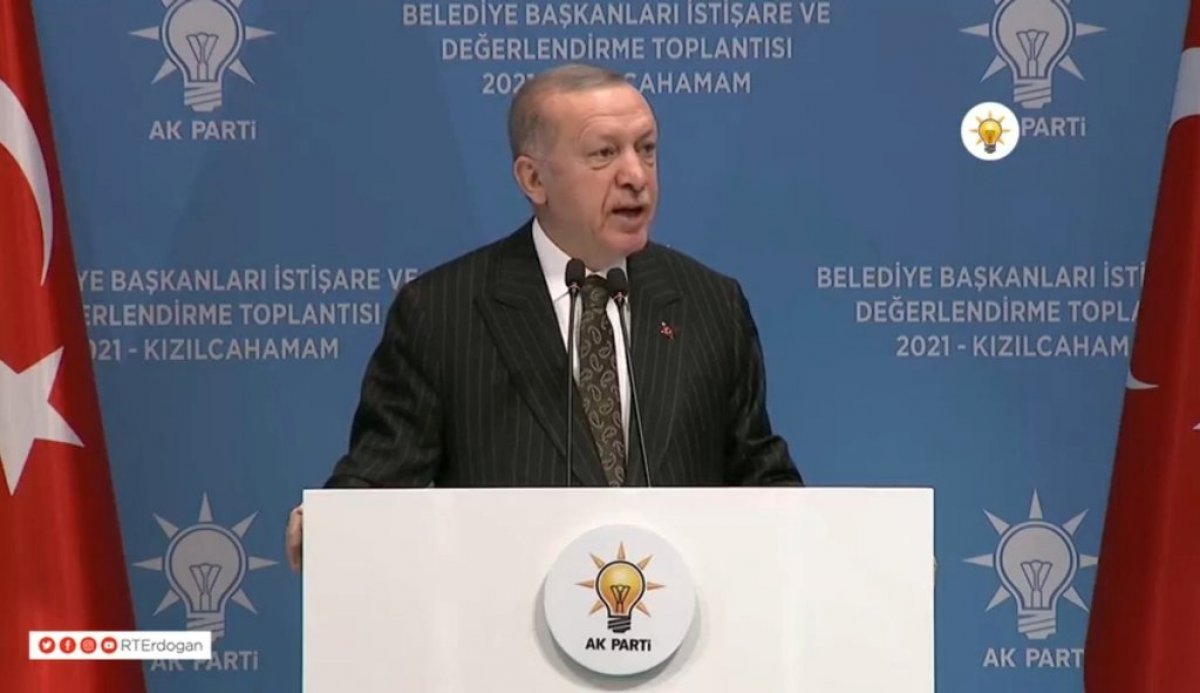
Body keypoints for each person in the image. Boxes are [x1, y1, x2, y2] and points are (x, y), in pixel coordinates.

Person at [285, 62, 802, 570]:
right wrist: (336, 521)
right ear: (533, 179)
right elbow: (383, 472)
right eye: (604, 154)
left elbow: (760, 476)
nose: (636, 176)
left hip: (677, 612)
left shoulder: (710, 303)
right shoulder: (442, 311)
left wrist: (814, 527)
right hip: (502, 612)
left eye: (646, 149)